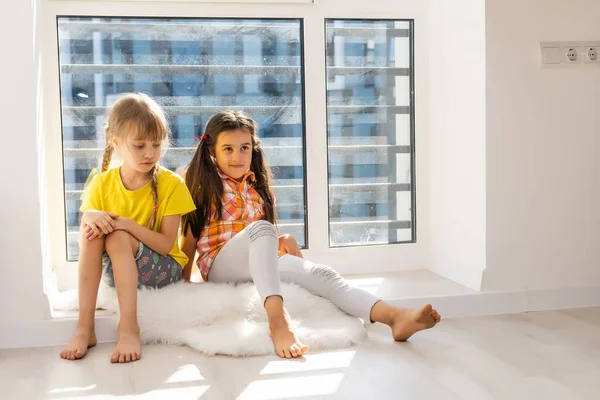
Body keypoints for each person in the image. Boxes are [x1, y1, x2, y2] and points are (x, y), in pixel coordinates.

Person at [180, 111, 441, 359]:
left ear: (253, 148)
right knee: (262, 228)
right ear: (212, 151)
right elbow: (189, 237)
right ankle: (278, 321)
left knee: (322, 273)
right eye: (228, 148)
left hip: (256, 260)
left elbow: (264, 241)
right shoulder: (204, 184)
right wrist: (184, 284)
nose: (237, 156)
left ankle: (395, 317)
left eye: (244, 147)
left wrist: (282, 241)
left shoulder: (259, 189)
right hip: (220, 265)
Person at [60, 93, 196, 363]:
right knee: (91, 231)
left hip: (164, 268)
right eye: (140, 145)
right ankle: (84, 327)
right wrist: (92, 218)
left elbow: (167, 245)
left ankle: (129, 327)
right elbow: (88, 228)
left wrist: (127, 225)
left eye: (156, 145)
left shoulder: (172, 185)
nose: (150, 153)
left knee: (118, 235)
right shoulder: (101, 182)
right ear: (116, 142)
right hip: (119, 269)